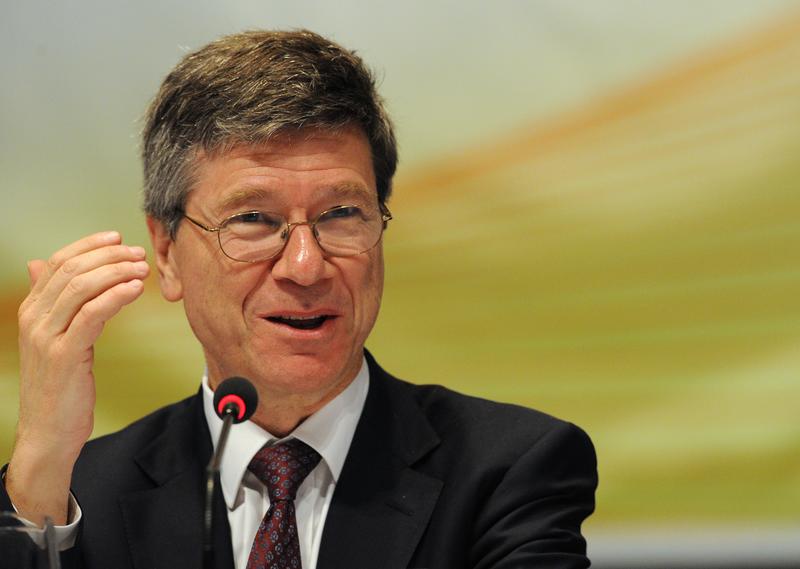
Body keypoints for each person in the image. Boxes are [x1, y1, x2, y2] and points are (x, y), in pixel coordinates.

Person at [1, 30, 597, 569]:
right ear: (167, 252)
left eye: (341, 214)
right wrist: (39, 466)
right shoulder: (77, 494)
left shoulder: (508, 470)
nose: (306, 266)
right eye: (254, 220)